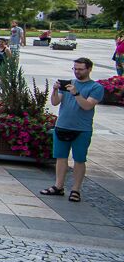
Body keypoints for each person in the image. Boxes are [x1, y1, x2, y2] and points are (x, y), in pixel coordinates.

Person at [41, 57, 104, 203]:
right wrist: (55, 90)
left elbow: (87, 106)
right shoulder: (69, 83)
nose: (77, 72)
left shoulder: (95, 87)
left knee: (79, 159)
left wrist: (76, 93)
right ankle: (58, 186)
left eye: (80, 69)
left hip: (81, 129)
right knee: (61, 158)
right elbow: (55, 102)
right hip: (62, 125)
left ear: (89, 69)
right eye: (75, 69)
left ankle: (76, 189)